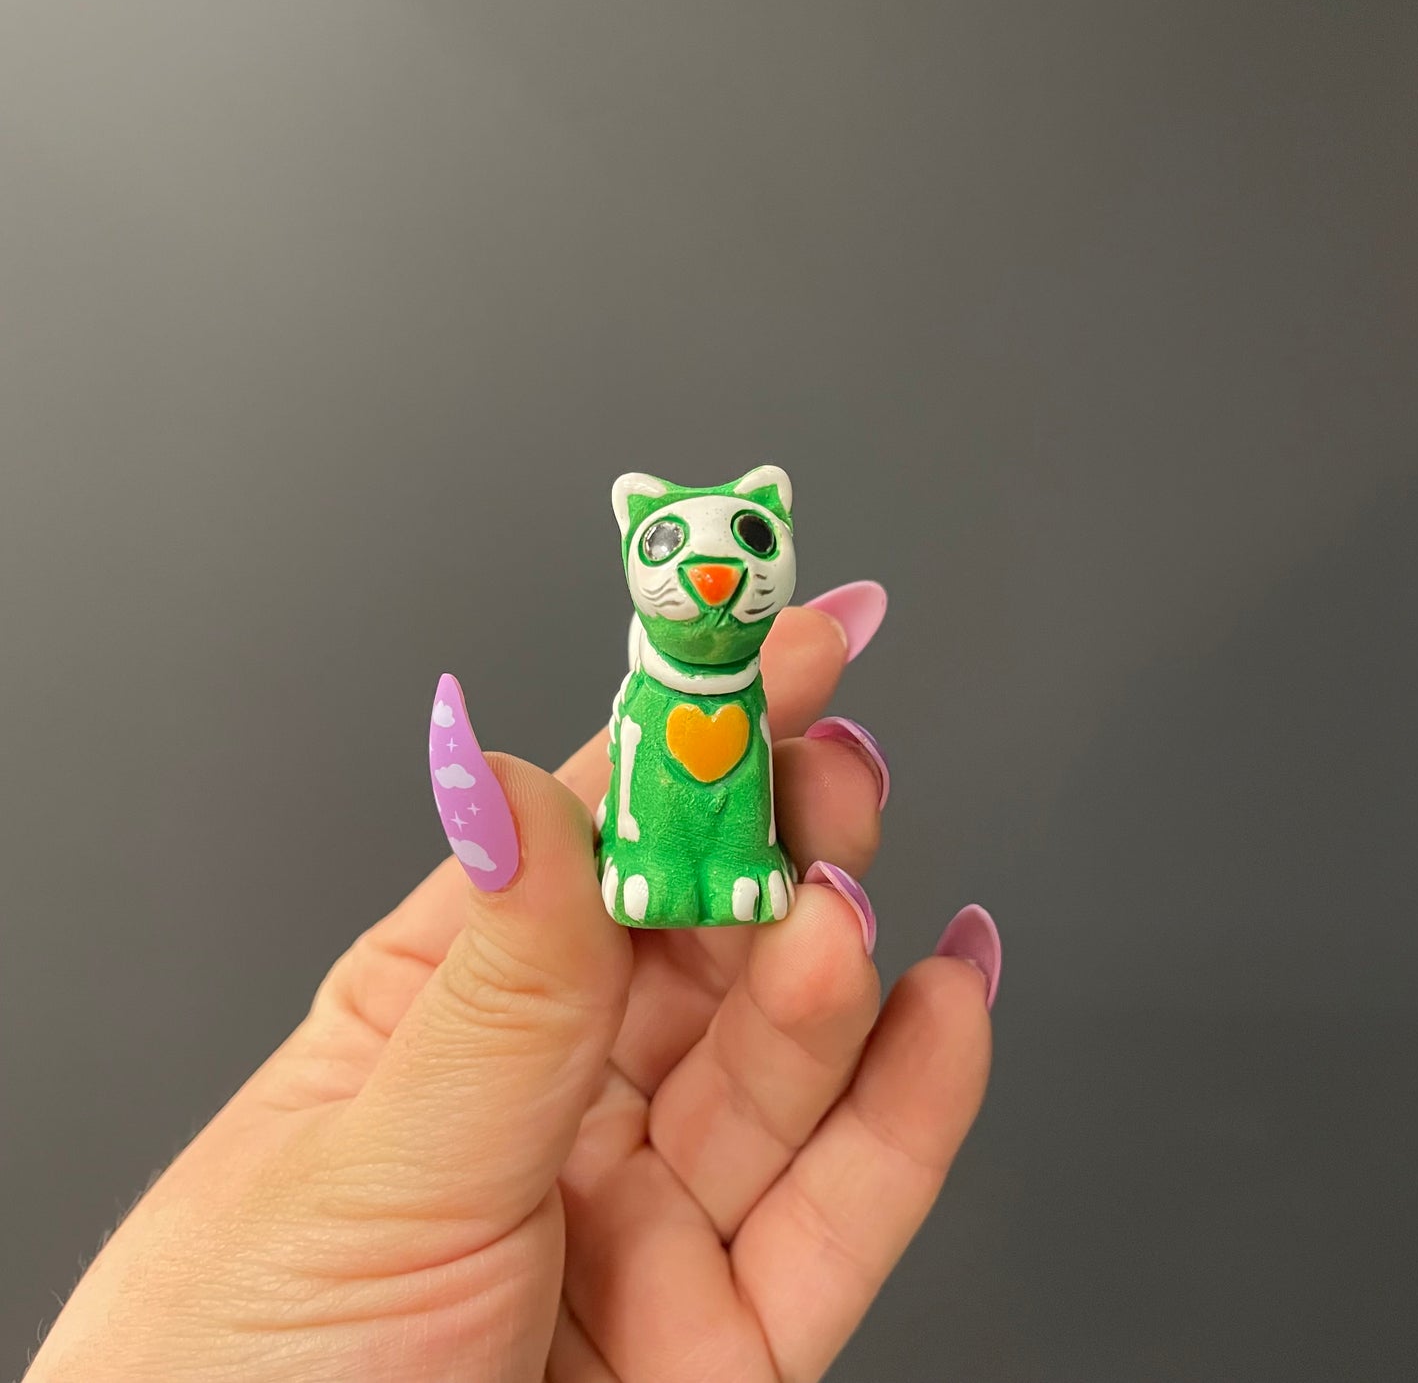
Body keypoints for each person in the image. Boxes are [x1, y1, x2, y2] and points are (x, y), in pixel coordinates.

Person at [26, 591, 1000, 1383]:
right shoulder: (644, 698)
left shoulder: (740, 690)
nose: (710, 577)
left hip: (728, 846)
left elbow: (744, 795)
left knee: (753, 816)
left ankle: (728, 872)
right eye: (671, 545)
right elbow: (636, 790)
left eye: (748, 539)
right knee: (680, 825)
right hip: (641, 862)